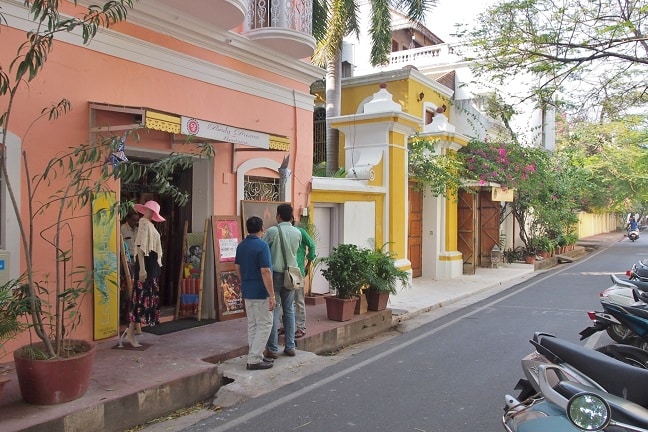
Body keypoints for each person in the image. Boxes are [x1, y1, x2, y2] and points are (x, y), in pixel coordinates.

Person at [235, 216, 276, 370]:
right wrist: (271, 295)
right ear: (262, 228)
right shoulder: (262, 246)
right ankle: (254, 358)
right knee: (265, 324)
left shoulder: (241, 246)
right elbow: (265, 271)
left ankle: (255, 355)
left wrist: (245, 282)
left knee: (253, 325)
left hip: (247, 290)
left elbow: (237, 269)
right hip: (261, 291)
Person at [123, 200, 164, 347]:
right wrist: (142, 269)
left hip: (150, 266)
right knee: (140, 299)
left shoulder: (147, 224)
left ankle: (130, 332)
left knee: (141, 298)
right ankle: (130, 333)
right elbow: (140, 248)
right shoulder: (144, 224)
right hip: (146, 266)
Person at [263, 203, 302, 358]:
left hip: (275, 274)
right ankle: (290, 346)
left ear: (278, 216)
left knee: (273, 309)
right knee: (289, 310)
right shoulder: (297, 232)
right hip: (291, 275)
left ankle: (272, 348)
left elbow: (263, 247)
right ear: (291, 216)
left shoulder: (272, 231)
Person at [291, 218, 316, 338]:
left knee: (299, 300)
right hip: (283, 270)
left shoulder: (300, 232)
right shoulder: (279, 232)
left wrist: (308, 264)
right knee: (284, 302)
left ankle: (301, 327)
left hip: (297, 271)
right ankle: (285, 326)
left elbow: (312, 246)